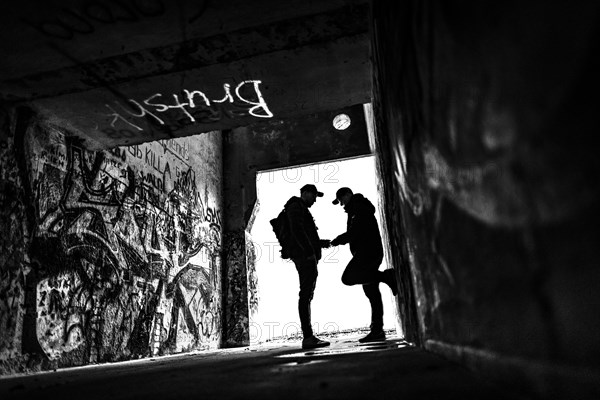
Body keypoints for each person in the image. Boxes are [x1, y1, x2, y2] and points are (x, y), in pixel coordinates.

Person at [330, 187, 398, 343]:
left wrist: (338, 240)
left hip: (368, 254)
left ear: (348, 195)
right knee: (372, 293)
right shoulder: (356, 208)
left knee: (348, 278)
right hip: (369, 253)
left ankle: (385, 276)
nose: (341, 204)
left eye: (341, 199)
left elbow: (355, 232)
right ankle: (377, 331)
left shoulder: (358, 207)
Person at [285, 184, 332, 349]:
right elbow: (297, 230)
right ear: (305, 193)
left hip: (305, 255)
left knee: (307, 295)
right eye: (313, 196)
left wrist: (321, 244)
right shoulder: (296, 206)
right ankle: (308, 337)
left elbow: (305, 234)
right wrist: (309, 252)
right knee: (305, 295)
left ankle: (309, 336)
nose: (315, 200)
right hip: (305, 257)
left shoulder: (299, 207)